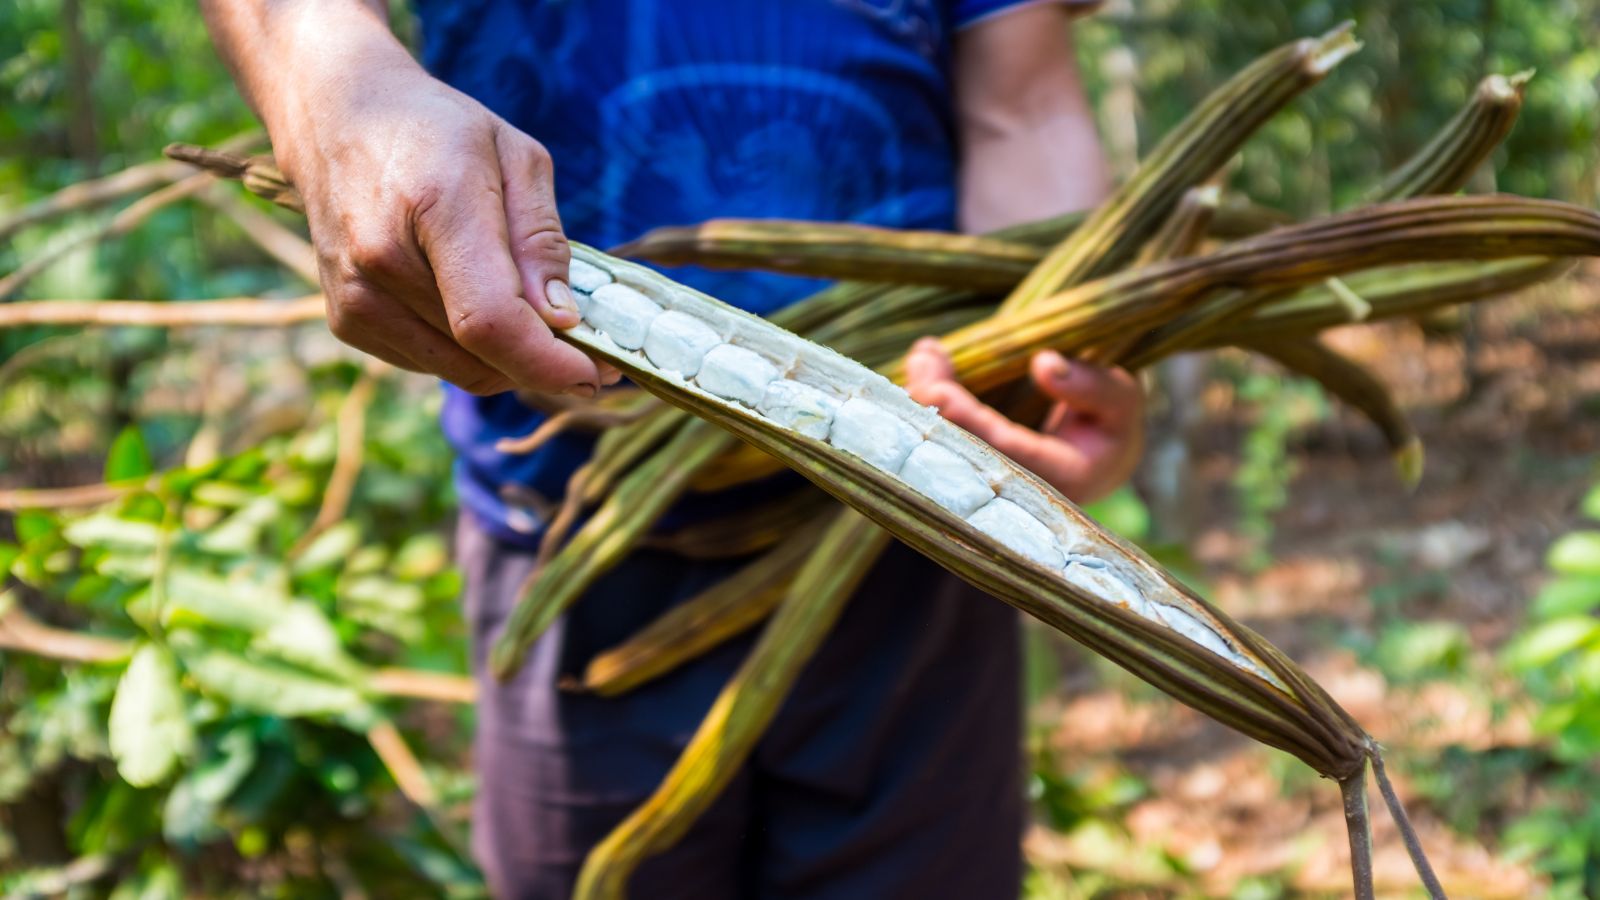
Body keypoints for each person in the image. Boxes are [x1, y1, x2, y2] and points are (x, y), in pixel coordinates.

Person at [201, 1, 1145, 896]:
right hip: (570, 525)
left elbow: (1023, 107)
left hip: (919, 529)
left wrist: (1040, 365)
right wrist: (336, 93)